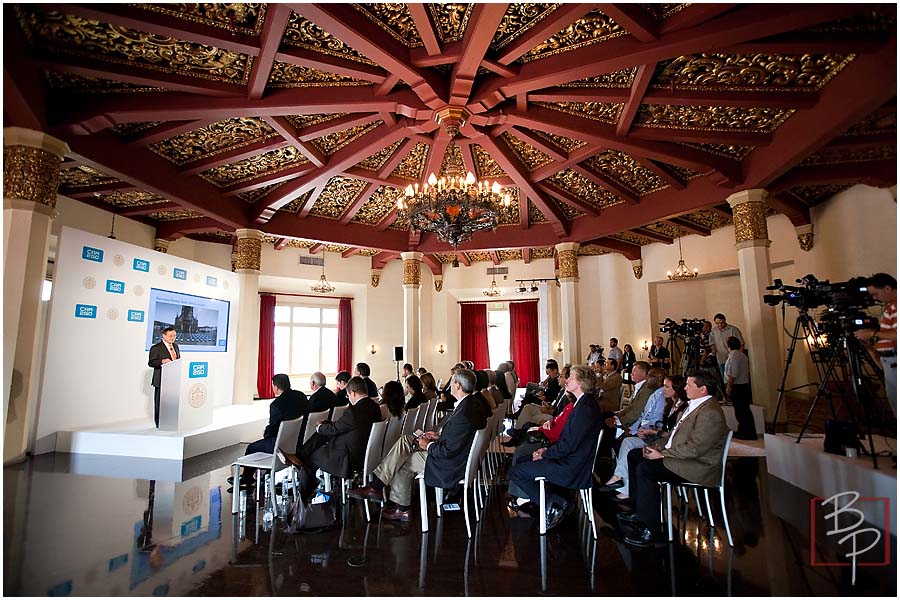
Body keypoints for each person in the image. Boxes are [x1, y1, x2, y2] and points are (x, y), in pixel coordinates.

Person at [347, 369, 488, 521]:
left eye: (452, 382)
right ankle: (377, 486)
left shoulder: (464, 412)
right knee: (405, 440)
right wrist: (439, 436)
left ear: (458, 386)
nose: (450, 385)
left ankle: (400, 506)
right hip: (456, 458)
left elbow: (447, 451)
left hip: (448, 465)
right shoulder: (471, 405)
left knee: (403, 462)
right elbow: (459, 438)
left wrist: (427, 445)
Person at [620, 370, 729, 547]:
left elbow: (696, 448)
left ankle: (652, 530)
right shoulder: (694, 405)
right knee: (634, 455)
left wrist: (662, 454)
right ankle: (640, 509)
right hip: (682, 457)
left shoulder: (710, 412)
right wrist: (657, 447)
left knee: (646, 470)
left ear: (703, 389)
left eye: (689, 384)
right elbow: (676, 436)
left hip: (696, 466)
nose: (684, 387)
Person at [507, 365, 603, 530]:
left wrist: (545, 454)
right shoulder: (583, 404)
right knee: (522, 460)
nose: (567, 380)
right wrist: (545, 451)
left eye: (570, 377)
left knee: (515, 472)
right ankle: (552, 501)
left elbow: (569, 445)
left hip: (571, 467)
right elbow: (568, 441)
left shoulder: (585, 408)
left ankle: (554, 502)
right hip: (570, 459)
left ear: (581, 382)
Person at [598, 375, 687, 500]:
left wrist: (652, 431)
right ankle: (622, 482)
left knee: (629, 447)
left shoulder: (682, 409)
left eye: (667, 386)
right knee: (627, 443)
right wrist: (648, 431)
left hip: (663, 443)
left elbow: (675, 434)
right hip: (657, 438)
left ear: (676, 389)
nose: (663, 389)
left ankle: (622, 482)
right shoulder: (669, 405)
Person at [295, 376, 382, 500]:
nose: (349, 398)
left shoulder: (354, 412)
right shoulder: (375, 407)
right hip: (364, 453)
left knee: (311, 457)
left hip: (347, 458)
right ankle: (301, 460)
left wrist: (319, 427)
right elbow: (341, 426)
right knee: (322, 434)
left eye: (348, 395)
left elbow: (335, 428)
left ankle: (304, 497)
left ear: (353, 393)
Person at [228, 373, 308, 491]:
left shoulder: (276, 405)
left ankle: (247, 478)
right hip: (302, 440)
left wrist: (266, 434)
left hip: (282, 444)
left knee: (251, 448)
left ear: (275, 387)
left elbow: (273, 429)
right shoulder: (301, 396)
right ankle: (258, 476)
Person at [855, 273, 897, 416]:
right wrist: (871, 348)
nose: (874, 299)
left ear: (887, 288)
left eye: (875, 294)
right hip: (890, 362)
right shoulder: (890, 307)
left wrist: (873, 334)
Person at [148, 326, 180, 428]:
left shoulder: (176, 346)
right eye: (170, 336)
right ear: (164, 335)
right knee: (159, 403)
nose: (173, 338)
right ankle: (159, 424)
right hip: (161, 379)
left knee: (172, 402)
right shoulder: (156, 348)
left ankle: (171, 421)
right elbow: (151, 362)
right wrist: (162, 361)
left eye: (174, 336)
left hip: (173, 380)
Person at [724, 336, 756, 440]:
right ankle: (745, 430)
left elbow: (733, 373)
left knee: (741, 410)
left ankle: (746, 432)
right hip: (743, 385)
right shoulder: (742, 355)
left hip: (737, 386)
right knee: (743, 410)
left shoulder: (734, 356)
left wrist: (729, 386)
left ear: (728, 346)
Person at [709, 313, 744, 380]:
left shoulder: (733, 330)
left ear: (725, 320)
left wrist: (739, 357)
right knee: (725, 380)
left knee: (735, 380)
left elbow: (741, 344)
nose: (720, 325)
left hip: (732, 359)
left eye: (721, 323)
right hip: (721, 359)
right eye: (717, 323)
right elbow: (712, 343)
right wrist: (713, 350)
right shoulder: (714, 331)